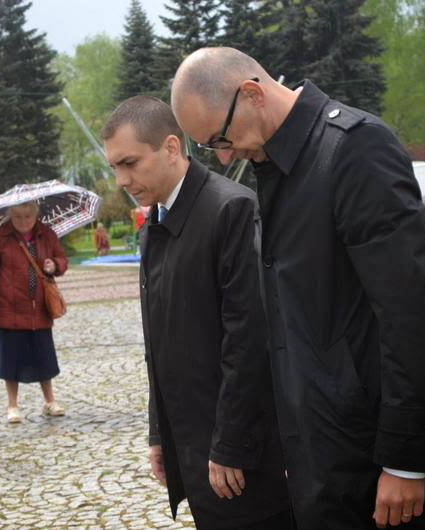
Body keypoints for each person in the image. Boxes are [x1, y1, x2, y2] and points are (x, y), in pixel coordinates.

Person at [171, 47, 425, 529]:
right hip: (329, 456)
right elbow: (291, 325)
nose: (225, 156)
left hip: (379, 458)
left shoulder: (354, 148)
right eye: (210, 147)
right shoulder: (277, 165)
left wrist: (405, 459)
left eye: (221, 138)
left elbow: (411, 314)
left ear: (251, 94)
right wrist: (295, 446)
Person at [101, 95, 291, 529]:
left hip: (243, 457)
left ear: (171, 148)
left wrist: (231, 444)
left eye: (129, 163)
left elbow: (250, 341)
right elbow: (159, 344)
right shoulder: (153, 225)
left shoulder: (231, 209)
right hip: (195, 447)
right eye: (114, 167)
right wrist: (159, 434)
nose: (120, 180)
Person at [0, 201, 68, 423]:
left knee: (44, 358)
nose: (23, 222)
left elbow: (62, 259)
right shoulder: (0, 236)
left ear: (36, 216)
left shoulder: (46, 234)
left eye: (28, 217)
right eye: (18, 217)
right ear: (10, 216)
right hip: (10, 309)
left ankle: (50, 400)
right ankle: (12, 405)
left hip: (40, 309)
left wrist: (55, 265)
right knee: (11, 361)